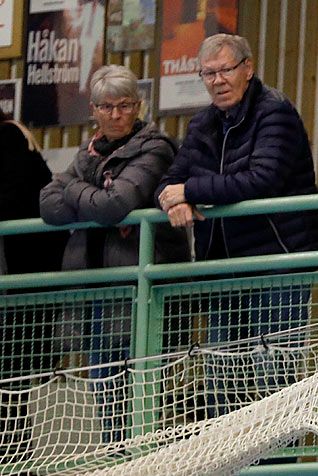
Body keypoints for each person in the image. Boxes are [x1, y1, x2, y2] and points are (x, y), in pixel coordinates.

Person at [157, 33, 318, 476]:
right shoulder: (203, 124)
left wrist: (194, 190)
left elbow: (262, 178)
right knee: (222, 377)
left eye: (226, 70)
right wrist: (175, 197)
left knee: (272, 374)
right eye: (208, 74)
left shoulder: (275, 112)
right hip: (223, 269)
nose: (217, 81)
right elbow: (169, 183)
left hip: (277, 263)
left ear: (248, 68)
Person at [39, 66, 191, 442]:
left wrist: (74, 188)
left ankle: (147, 475)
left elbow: (116, 204)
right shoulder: (87, 154)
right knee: (103, 390)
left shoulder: (155, 147)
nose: (115, 114)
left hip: (140, 293)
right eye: (106, 107)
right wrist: (85, 193)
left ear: (138, 106)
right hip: (96, 290)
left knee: (141, 392)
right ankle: (120, 469)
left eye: (124, 105)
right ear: (93, 109)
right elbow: (47, 204)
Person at [0, 103, 68, 423]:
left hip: (21, 283)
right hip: (17, 281)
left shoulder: (10, 136)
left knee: (10, 382)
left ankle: (15, 465)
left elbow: (12, 200)